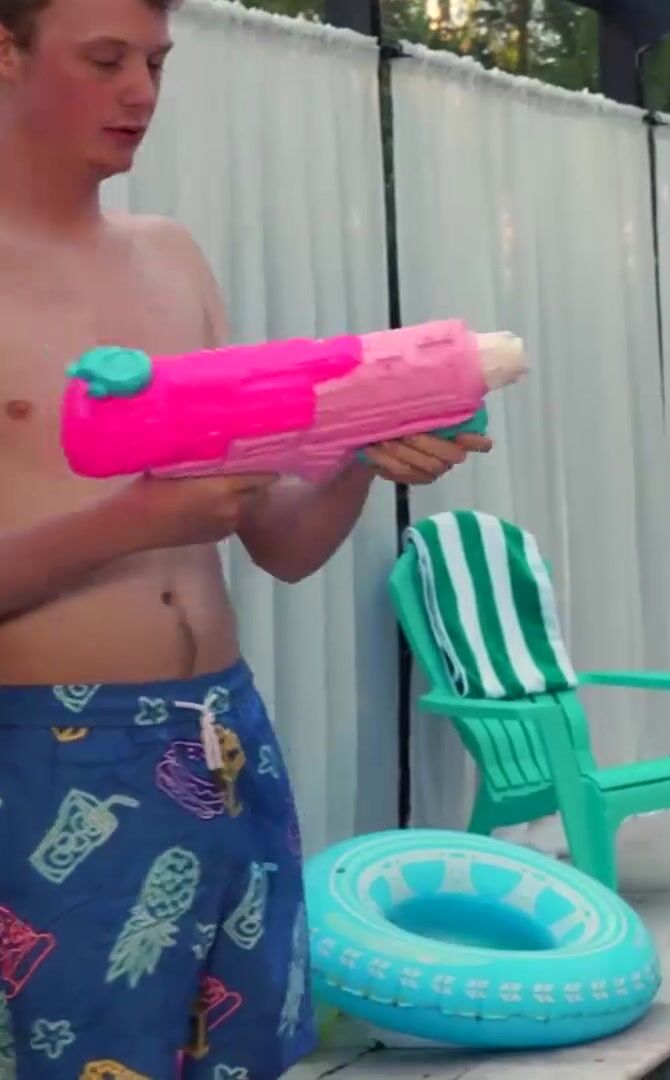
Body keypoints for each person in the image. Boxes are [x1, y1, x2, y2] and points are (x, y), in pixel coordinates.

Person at [0, 0, 488, 1073]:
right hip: (46, 749)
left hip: (223, 738)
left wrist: (361, 454)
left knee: (248, 1055)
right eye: (105, 59)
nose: (140, 92)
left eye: (156, 62)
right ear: (6, 50)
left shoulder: (171, 259)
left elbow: (281, 543)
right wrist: (134, 521)